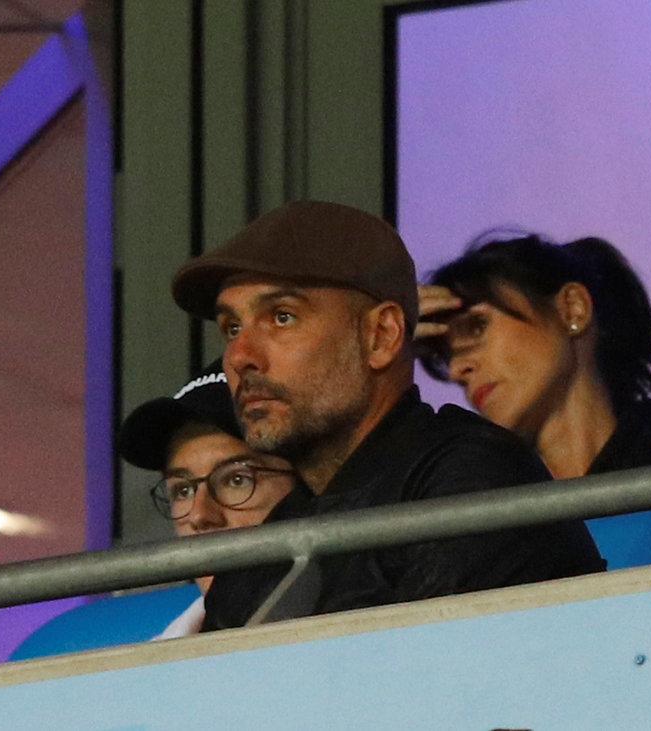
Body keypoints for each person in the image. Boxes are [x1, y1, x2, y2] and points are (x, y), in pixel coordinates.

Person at [170, 201, 605, 629]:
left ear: (381, 336)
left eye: (282, 317)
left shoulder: (472, 479)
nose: (239, 356)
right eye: (232, 328)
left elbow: (427, 670)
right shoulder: (269, 548)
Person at [417, 234, 651, 479]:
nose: (456, 369)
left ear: (573, 310)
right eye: (446, 356)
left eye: (476, 325)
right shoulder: (480, 519)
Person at [117, 359, 294, 638]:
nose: (199, 515)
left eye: (236, 480)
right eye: (183, 490)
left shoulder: (362, 632)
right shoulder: (151, 661)